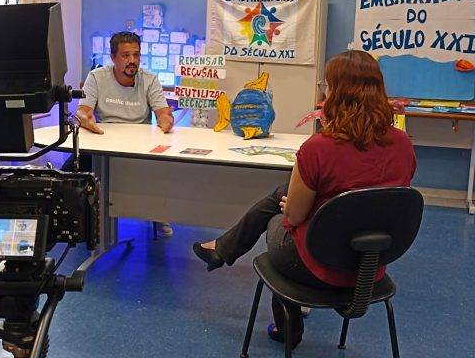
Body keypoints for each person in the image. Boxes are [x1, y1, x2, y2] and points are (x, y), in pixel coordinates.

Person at [192, 50, 416, 349]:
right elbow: (384, 199)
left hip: (320, 265)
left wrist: (296, 209)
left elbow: (294, 217)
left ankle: (288, 328)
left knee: (277, 219)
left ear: (337, 93)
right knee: (282, 196)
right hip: (371, 265)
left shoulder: (318, 148)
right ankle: (223, 248)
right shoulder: (403, 144)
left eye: (328, 85)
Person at [70, 31, 175, 237]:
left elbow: (163, 113)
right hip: (105, 142)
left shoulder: (149, 79)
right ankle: (83, 219)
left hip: (140, 146)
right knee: (74, 166)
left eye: (136, 55)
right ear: (113, 58)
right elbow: (82, 112)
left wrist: (166, 120)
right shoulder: (97, 77)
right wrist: (86, 119)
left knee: (162, 166)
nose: (132, 61)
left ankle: (158, 211)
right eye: (126, 55)